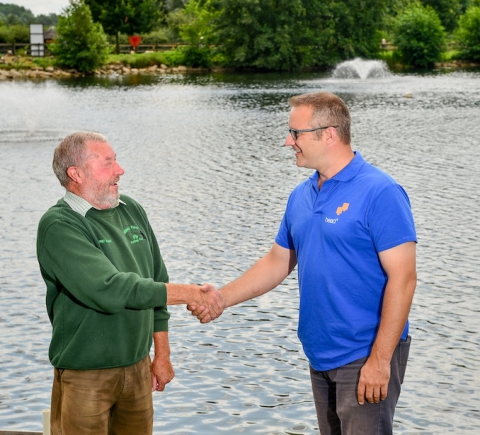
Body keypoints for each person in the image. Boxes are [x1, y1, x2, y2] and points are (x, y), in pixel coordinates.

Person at [190, 92, 417, 435]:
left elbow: (404, 278)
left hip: (365, 353)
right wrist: (221, 298)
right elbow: (278, 261)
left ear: (329, 134)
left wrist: (380, 360)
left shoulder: (380, 191)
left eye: (295, 133)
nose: (288, 142)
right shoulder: (302, 195)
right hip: (320, 353)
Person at [36, 131, 222, 435]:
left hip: (138, 368)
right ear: (76, 174)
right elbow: (108, 289)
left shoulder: (131, 209)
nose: (119, 170)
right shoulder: (59, 224)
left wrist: (162, 355)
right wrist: (190, 294)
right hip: (86, 375)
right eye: (108, 163)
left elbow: (157, 283)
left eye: (116, 161)